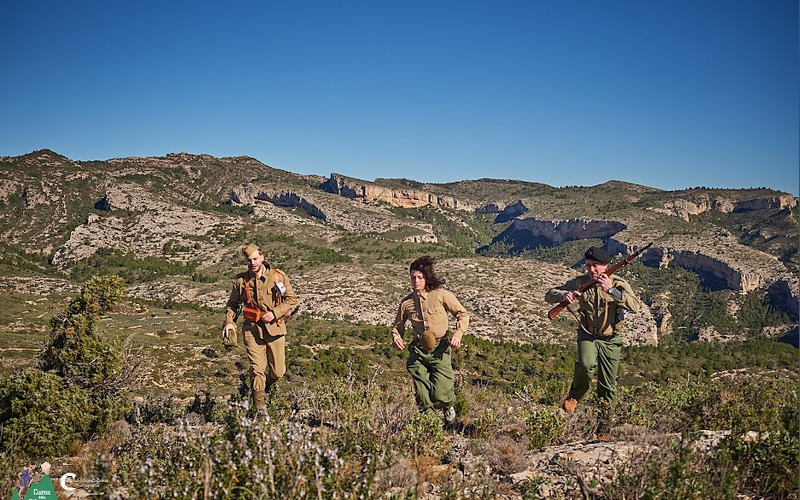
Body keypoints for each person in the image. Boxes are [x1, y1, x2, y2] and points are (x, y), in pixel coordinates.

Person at [545, 246, 641, 413]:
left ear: (605, 265)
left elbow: (635, 306)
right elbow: (549, 294)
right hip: (587, 335)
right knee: (586, 364)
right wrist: (564, 295)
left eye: (595, 265)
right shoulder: (581, 282)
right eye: (588, 265)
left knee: (607, 384)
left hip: (611, 339)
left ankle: (604, 425)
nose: (591, 269)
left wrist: (611, 291)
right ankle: (574, 396)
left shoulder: (618, 284)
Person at [391, 256, 469, 425]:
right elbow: (397, 326)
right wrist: (397, 338)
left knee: (440, 392)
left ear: (426, 278)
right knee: (422, 395)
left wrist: (458, 334)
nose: (416, 281)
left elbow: (462, 314)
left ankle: (448, 407)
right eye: (413, 277)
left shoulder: (441, 295)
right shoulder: (406, 304)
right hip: (418, 351)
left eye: (420, 277)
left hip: (440, 349)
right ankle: (430, 426)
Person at [222, 243, 298, 410]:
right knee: (258, 370)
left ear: (262, 258)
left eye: (255, 259)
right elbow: (233, 304)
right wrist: (229, 321)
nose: (253, 263)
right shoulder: (241, 282)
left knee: (278, 372)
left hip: (275, 329)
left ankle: (264, 387)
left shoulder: (278, 277)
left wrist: (275, 313)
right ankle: (259, 411)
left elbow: (291, 300)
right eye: (249, 260)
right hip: (252, 330)